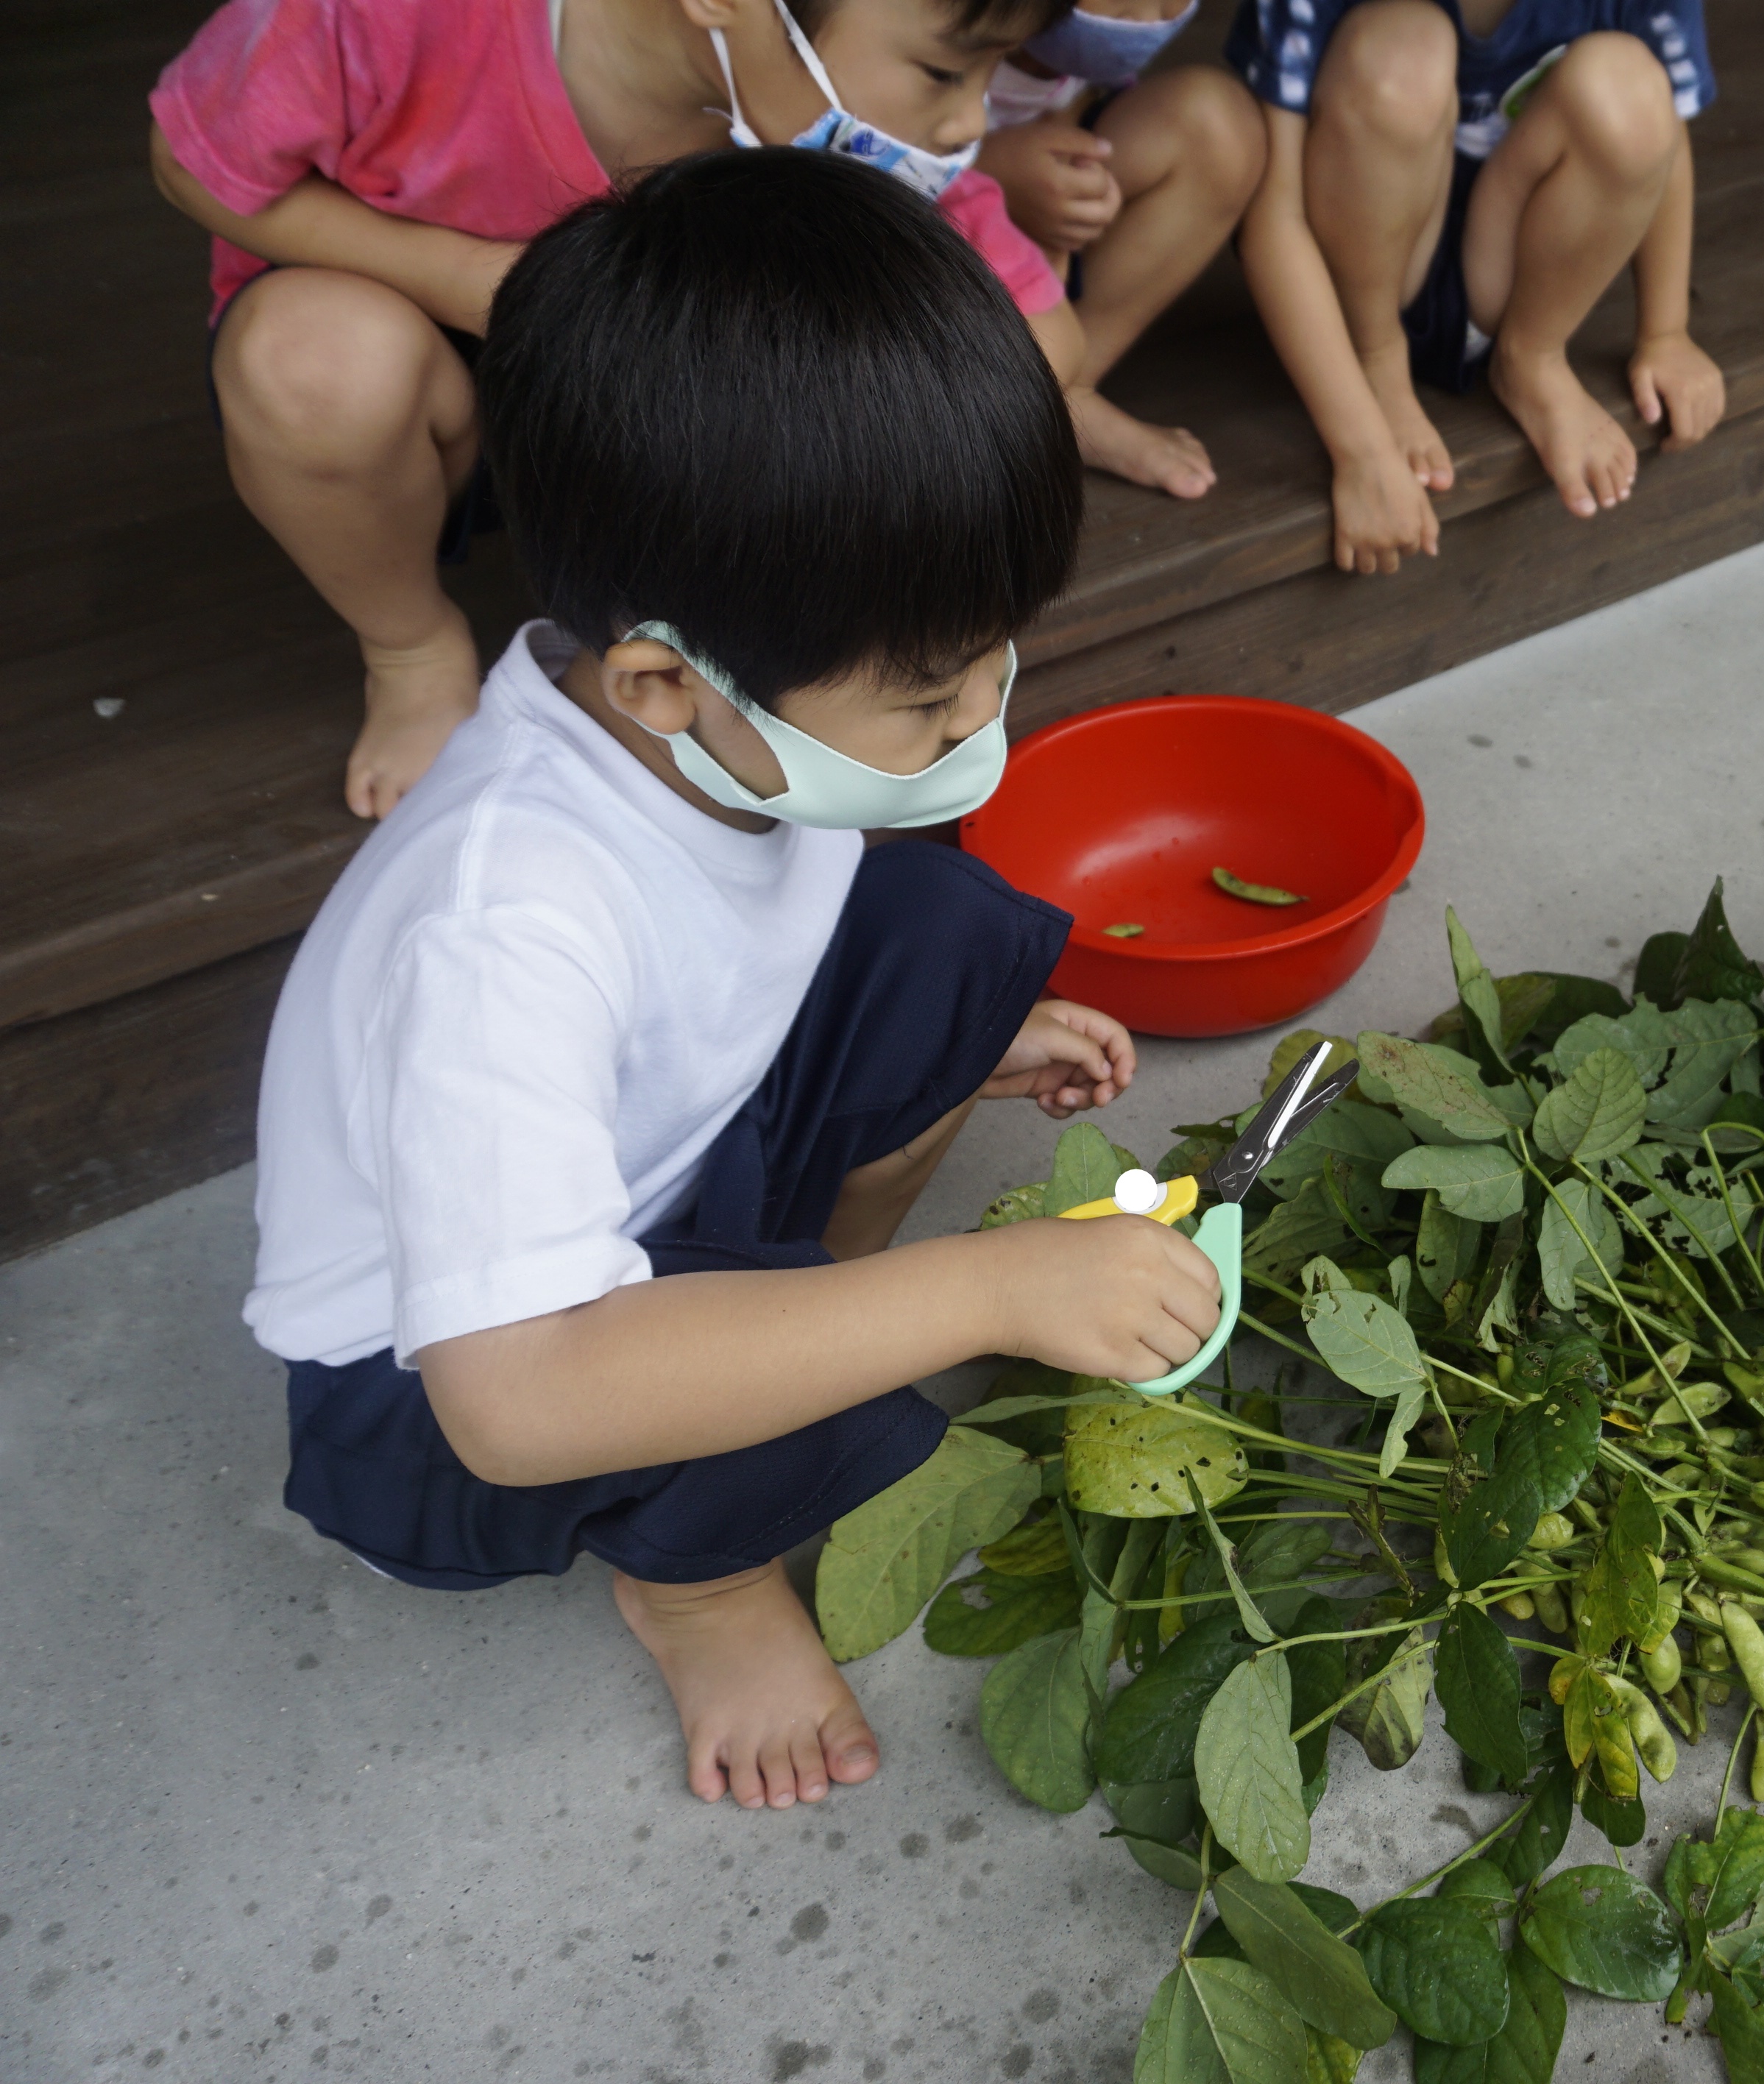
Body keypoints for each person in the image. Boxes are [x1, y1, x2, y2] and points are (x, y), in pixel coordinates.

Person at [242, 149, 1222, 1810]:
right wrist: (985, 1297)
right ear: (661, 682)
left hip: (649, 1169)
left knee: (940, 942)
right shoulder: (504, 922)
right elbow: (518, 1402)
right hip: (440, 1392)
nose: (984, 725)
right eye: (928, 705)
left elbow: (791, 925)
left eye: (999, 657)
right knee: (794, 1350)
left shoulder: (711, 738)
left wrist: (951, 1055)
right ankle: (693, 1582)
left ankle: (788, 1317)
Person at [147, 0, 1192, 821]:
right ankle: (411, 647)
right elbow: (198, 164)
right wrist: (471, 277)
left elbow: (1042, 338)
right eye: (943, 71)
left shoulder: (850, 121)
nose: (968, 123)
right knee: (315, 364)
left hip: (634, 429)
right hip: (434, 362)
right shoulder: (382, 13)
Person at [1225, 0, 1728, 574]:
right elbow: (1272, 215)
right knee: (1404, 44)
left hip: (1510, 273)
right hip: (1358, 282)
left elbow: (1664, 124)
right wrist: (1360, 448)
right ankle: (1377, 362)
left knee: (1631, 82)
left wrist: (1665, 332)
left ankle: (1531, 359)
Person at [976, 2, 1267, 500]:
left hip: (1038, 241)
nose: (1151, 15)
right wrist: (992, 169)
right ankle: (1007, 398)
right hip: (924, 230)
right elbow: (860, 156)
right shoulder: (926, 33)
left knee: (1217, 129)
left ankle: (1063, 389)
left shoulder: (1081, 59)